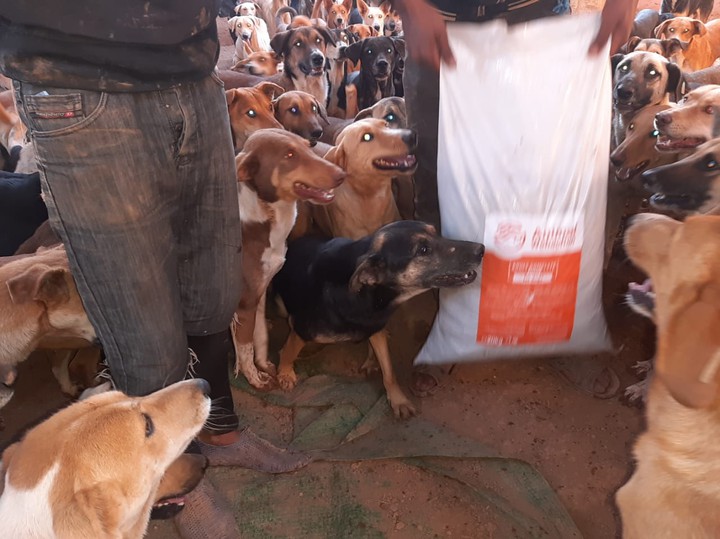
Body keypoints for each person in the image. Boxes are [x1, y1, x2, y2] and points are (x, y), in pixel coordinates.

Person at [0, 2, 309, 537]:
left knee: (213, 286)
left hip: (192, 70)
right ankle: (176, 475)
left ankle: (221, 430)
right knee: (140, 316)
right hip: (79, 83)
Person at [392, 0, 637, 399]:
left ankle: (552, 325)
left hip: (538, 22)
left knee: (547, 178)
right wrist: (411, 6)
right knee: (439, 178)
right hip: (438, 26)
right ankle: (455, 319)